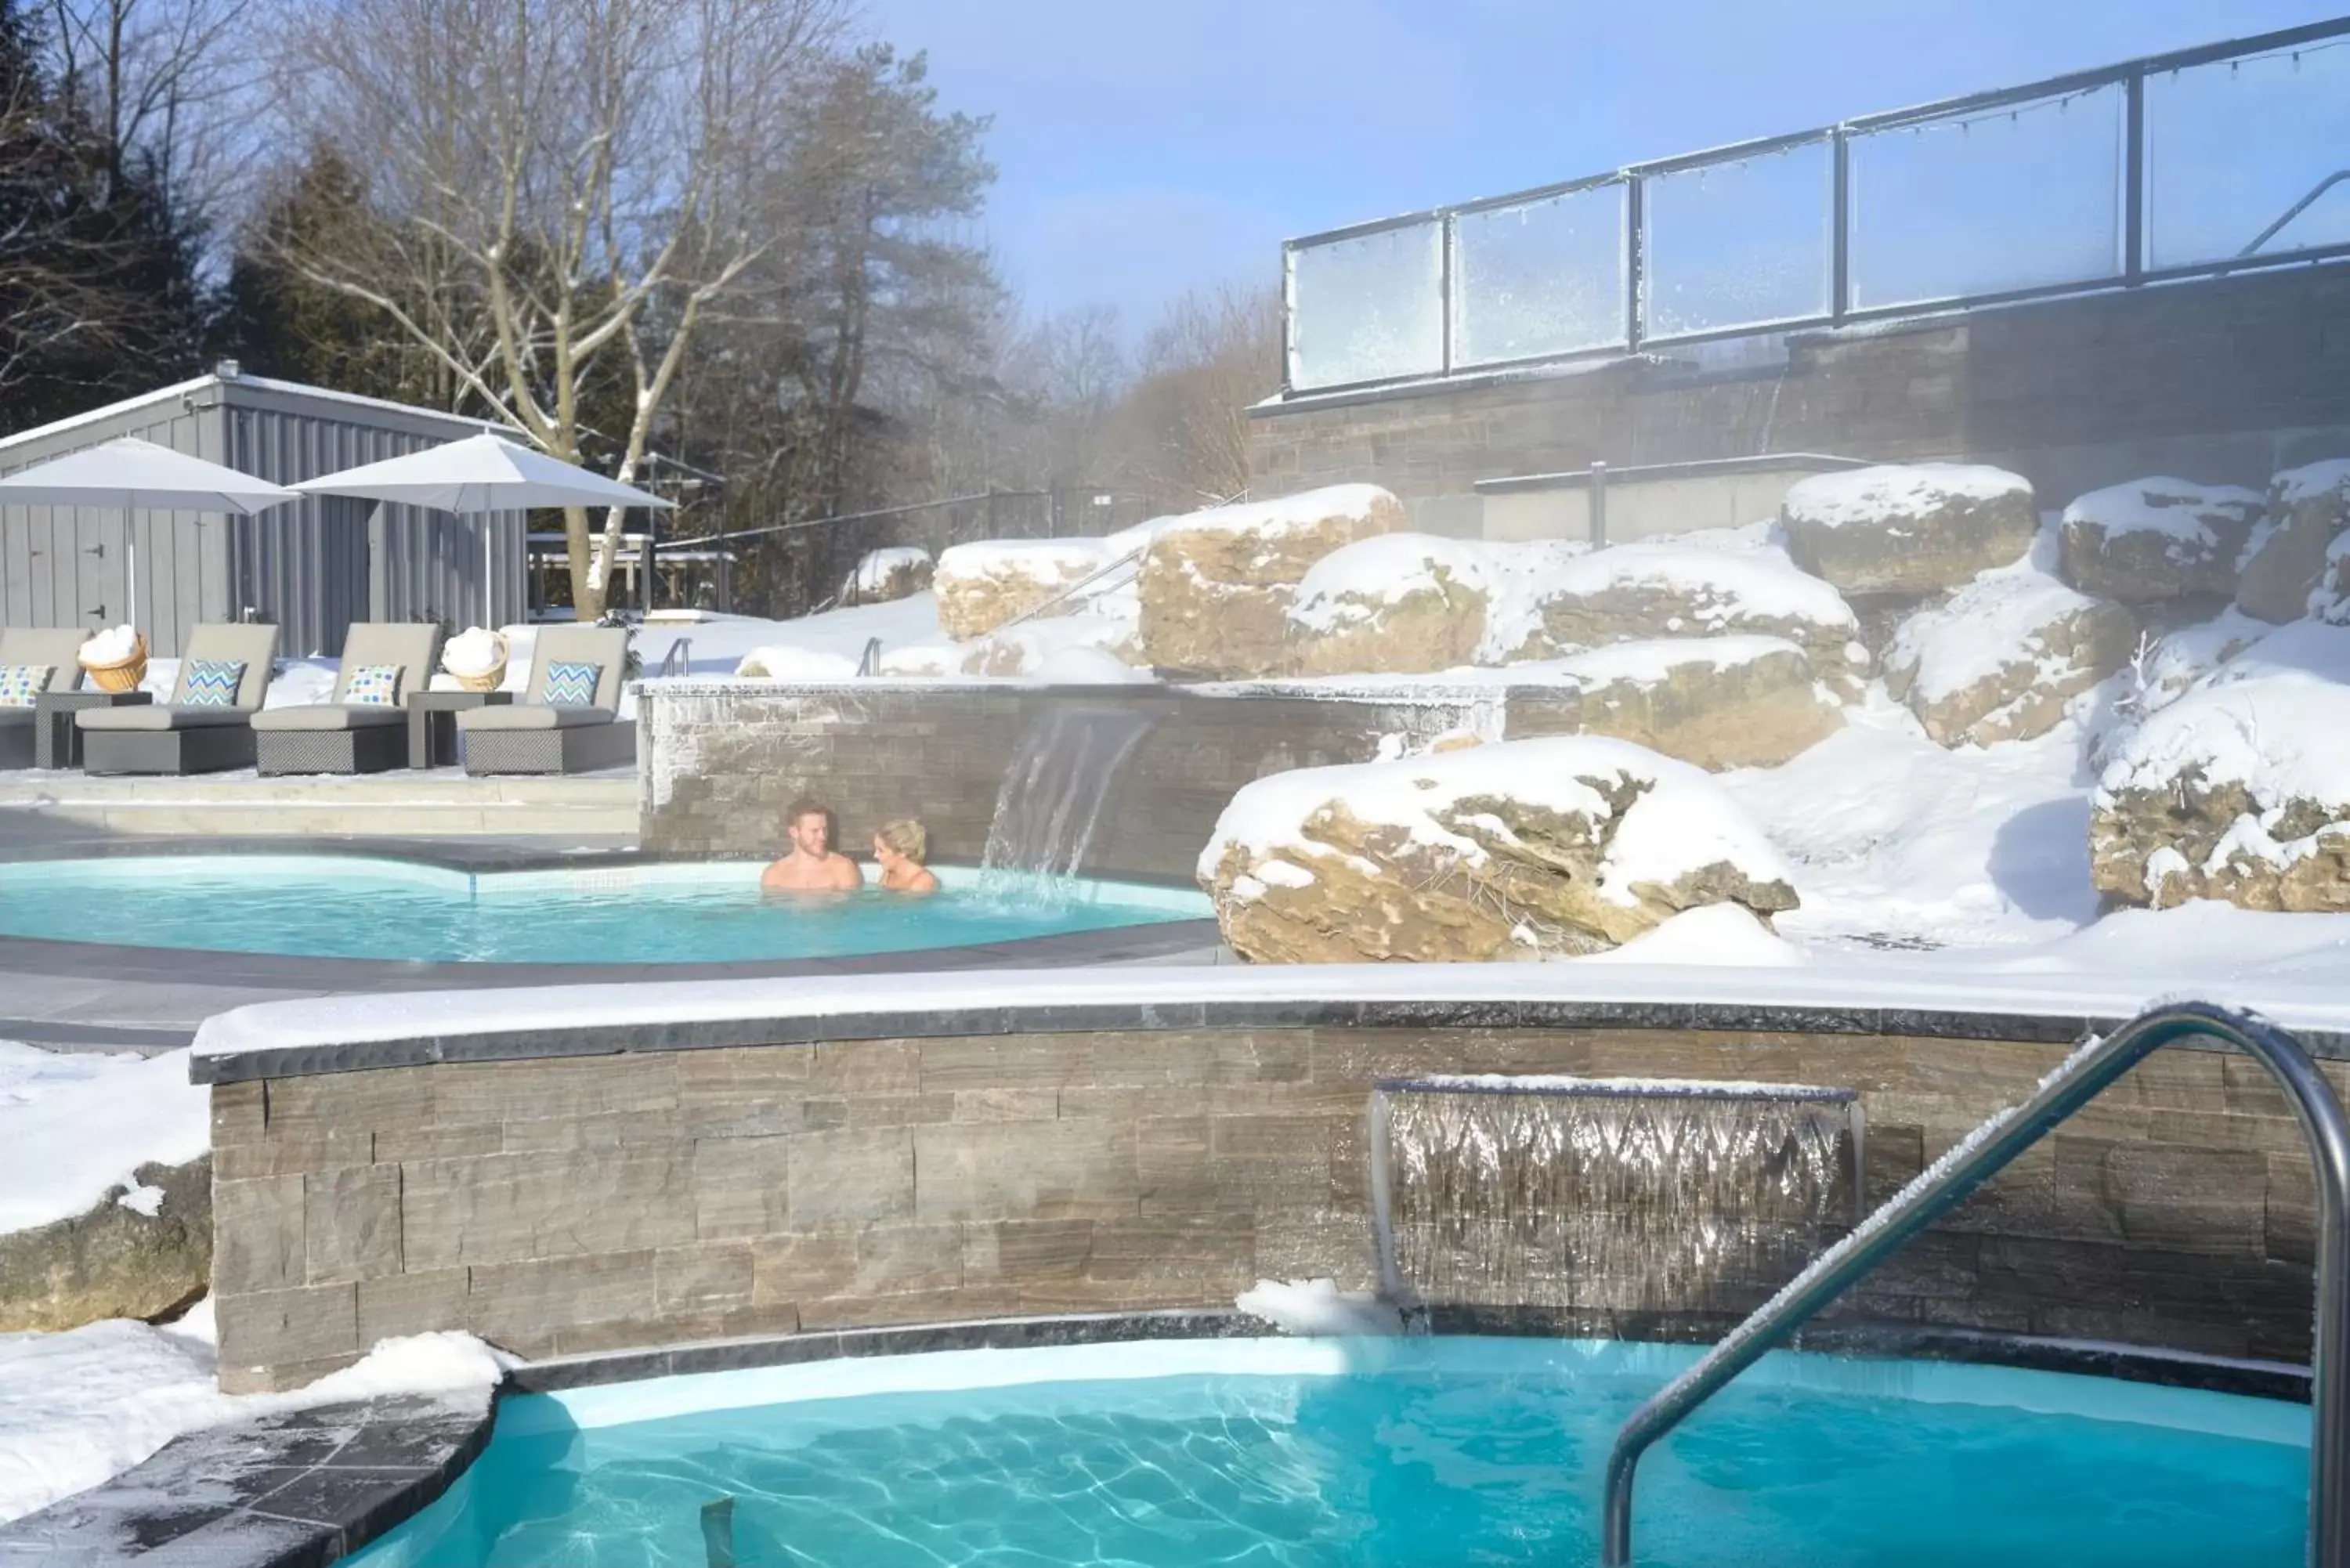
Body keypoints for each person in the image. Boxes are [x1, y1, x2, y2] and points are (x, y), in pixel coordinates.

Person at [761, 797, 862, 893]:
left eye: (824, 829)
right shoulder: (774, 875)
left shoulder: (842, 869)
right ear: (794, 832)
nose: (822, 836)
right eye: (815, 831)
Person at [872, 818, 938, 894]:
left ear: (901, 853)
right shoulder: (888, 875)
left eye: (881, 851)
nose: (875, 855)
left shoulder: (923, 882)